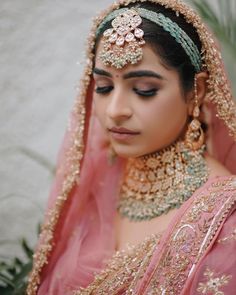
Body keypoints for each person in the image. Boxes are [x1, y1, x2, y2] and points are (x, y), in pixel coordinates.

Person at [27, 0, 236, 294]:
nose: (115, 110)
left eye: (144, 90)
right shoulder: (99, 185)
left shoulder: (225, 217)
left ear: (196, 91)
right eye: (103, 87)